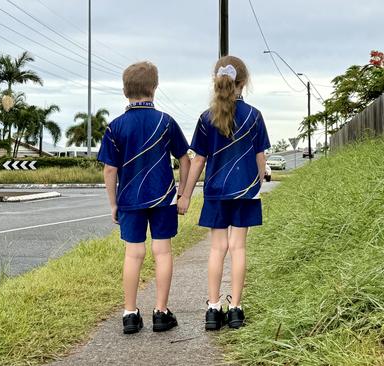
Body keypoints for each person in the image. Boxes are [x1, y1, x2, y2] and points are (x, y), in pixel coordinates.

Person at [178, 55, 271, 330]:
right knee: (238, 247)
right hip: (245, 191)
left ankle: (212, 307)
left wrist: (184, 194)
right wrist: (259, 180)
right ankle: (236, 310)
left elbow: (198, 159)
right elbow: (260, 157)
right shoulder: (254, 116)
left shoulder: (206, 118)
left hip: (216, 192)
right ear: (243, 83)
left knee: (217, 249)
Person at [98, 61, 191, 334]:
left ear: (125, 90)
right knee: (162, 252)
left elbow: (109, 169)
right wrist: (183, 192)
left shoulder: (115, 127)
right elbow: (185, 160)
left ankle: (129, 313)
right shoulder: (166, 122)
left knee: (133, 253)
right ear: (155, 87)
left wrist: (113, 202)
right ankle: (161, 313)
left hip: (129, 200)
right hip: (163, 197)